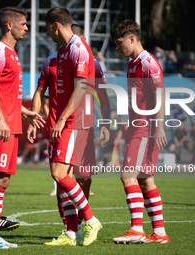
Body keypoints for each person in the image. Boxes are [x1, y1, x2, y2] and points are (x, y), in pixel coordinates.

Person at [0, 7, 45, 249]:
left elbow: (6, 93)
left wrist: (23, 112)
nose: (26, 28)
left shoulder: (12, 53)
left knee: (3, 180)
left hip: (10, 125)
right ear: (9, 26)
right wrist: (2, 120)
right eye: (23, 24)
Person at [42, 7, 104, 246]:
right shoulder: (65, 50)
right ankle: (70, 233)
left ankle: (90, 219)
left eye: (47, 28)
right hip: (67, 121)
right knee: (64, 177)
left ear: (55, 25)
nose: (47, 33)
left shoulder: (78, 48)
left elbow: (82, 88)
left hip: (74, 122)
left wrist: (60, 119)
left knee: (60, 174)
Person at [111, 19, 169, 244]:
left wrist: (160, 125)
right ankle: (160, 234)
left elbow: (160, 94)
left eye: (119, 43)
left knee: (127, 175)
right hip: (138, 128)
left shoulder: (148, 63)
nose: (118, 48)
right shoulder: (133, 63)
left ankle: (136, 229)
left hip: (145, 130)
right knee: (145, 180)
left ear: (132, 38)